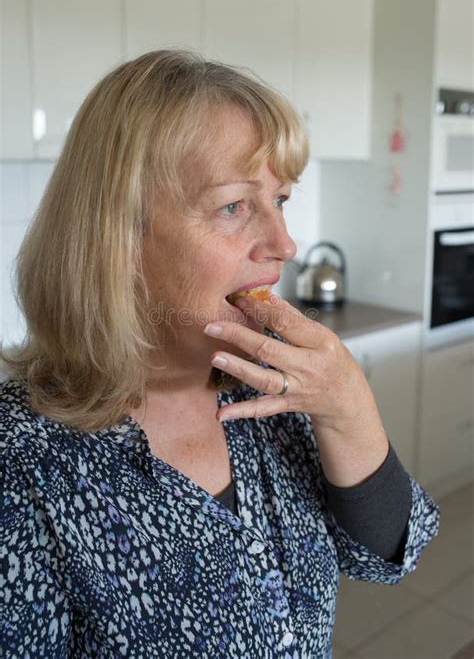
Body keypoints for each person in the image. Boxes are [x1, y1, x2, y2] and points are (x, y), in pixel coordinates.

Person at [0, 49, 440, 658]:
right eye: (234, 205)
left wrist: (349, 408)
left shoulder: (273, 383)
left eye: (280, 200)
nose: (284, 244)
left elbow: (389, 551)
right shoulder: (22, 465)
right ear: (118, 237)